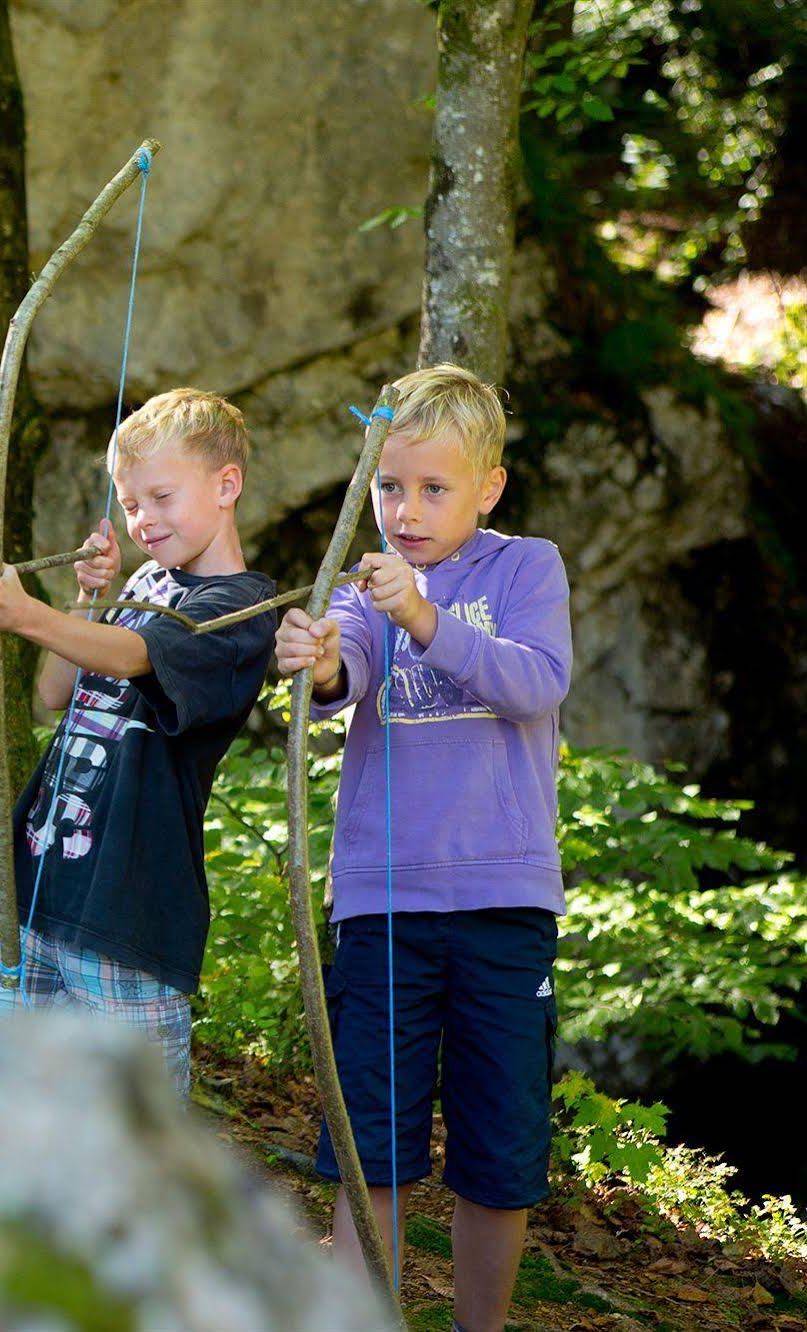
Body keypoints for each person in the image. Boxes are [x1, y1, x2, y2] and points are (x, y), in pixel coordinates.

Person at [274, 363, 571, 1332]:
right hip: (384, 904)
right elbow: (345, 672)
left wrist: (425, 617)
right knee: (373, 1141)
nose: (404, 511)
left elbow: (535, 683)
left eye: (432, 488)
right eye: (388, 487)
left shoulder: (526, 567)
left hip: (502, 905)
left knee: (498, 1145)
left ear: (486, 487)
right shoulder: (365, 590)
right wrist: (319, 661)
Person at [0, 387, 277, 1098]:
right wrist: (85, 599)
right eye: (130, 504)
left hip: (128, 909)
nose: (143, 519)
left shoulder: (241, 608)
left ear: (227, 485)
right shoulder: (146, 579)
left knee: (134, 1140)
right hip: (43, 888)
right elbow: (53, 694)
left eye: (161, 496)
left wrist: (26, 614)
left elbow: (133, 657)